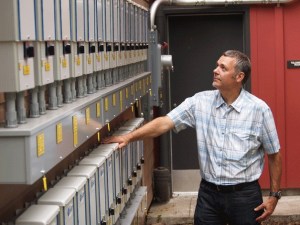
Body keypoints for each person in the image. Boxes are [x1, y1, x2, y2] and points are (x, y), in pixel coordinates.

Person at [103, 50, 282, 225]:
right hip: (209, 195)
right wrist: (129, 137)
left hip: (244, 196)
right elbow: (165, 122)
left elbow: (274, 154)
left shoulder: (259, 110)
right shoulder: (200, 102)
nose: (215, 70)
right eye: (216, 65)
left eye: (223, 68)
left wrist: (274, 196)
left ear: (239, 77)